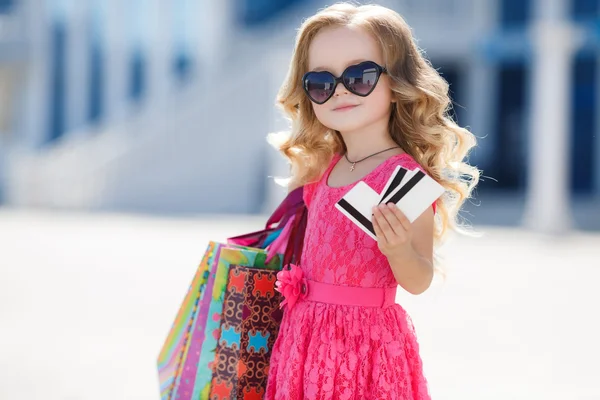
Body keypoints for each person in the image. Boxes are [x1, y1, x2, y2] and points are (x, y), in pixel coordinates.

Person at [265, 3, 479, 399]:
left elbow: (418, 281)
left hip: (363, 348)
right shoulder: (325, 167)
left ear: (397, 82)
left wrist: (397, 250)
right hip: (304, 339)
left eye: (360, 76)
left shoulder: (404, 180)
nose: (341, 91)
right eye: (321, 82)